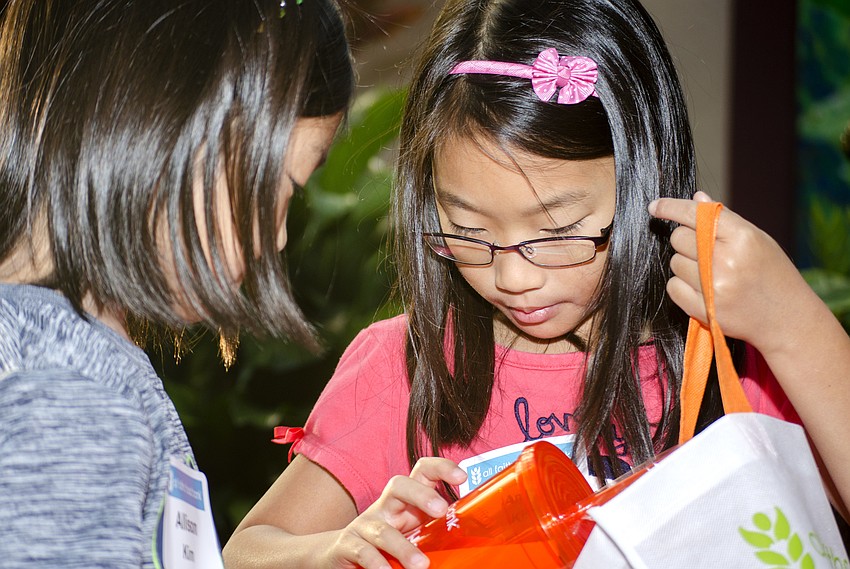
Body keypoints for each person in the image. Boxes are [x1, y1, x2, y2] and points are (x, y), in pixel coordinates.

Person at [223, 0, 850, 568]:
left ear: (644, 183)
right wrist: (332, 551)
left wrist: (792, 324)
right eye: (465, 229)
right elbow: (249, 551)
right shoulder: (406, 369)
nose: (512, 276)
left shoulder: (727, 360)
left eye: (557, 232)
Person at [0, 0, 353, 567]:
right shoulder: (71, 398)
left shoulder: (57, 356)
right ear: (169, 124)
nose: (279, 237)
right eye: (282, 188)